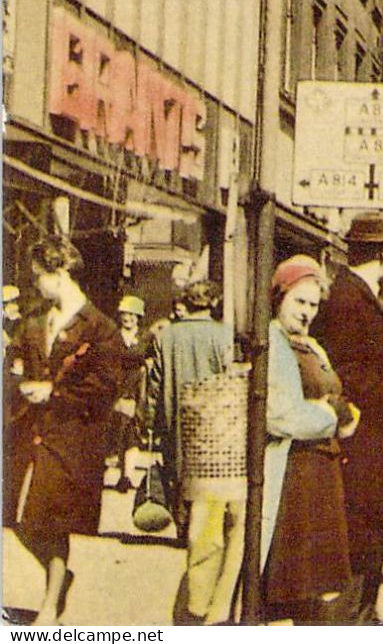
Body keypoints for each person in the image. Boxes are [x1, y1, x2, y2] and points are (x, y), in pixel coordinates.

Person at [309, 211, 383, 625]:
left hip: (378, 441)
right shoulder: (348, 299)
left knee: (373, 533)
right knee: (362, 536)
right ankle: (352, 622)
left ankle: (364, 617)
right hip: (365, 442)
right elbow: (349, 370)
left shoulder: (362, 296)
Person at [3, 236, 123, 625]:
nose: (36, 283)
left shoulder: (100, 328)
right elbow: (13, 364)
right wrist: (18, 381)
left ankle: (50, 604)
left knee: (51, 521)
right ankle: (60, 578)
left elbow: (105, 387)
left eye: (40, 276)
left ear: (60, 273)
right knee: (17, 521)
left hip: (71, 439)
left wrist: (54, 392)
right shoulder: (35, 321)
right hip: (28, 433)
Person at [262, 256, 359, 624]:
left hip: (322, 475)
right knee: (292, 588)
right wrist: (331, 415)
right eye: (299, 302)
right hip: (294, 476)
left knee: (317, 592)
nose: (306, 312)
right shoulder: (275, 343)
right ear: (280, 297)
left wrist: (335, 411)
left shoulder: (312, 346)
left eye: (313, 305)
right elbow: (282, 415)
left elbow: (334, 398)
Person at [148, 278, 236, 624]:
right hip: (214, 432)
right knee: (208, 501)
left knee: (179, 481)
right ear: (212, 302)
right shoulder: (223, 335)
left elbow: (154, 386)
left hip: (176, 422)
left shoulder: (166, 336)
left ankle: (185, 531)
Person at [106, 294, 150, 491]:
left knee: (132, 431)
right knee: (114, 429)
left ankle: (126, 476)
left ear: (138, 317)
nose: (128, 318)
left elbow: (151, 362)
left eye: (132, 315)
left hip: (135, 388)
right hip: (115, 388)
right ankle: (109, 470)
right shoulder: (113, 337)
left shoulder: (146, 338)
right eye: (125, 314)